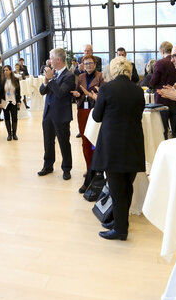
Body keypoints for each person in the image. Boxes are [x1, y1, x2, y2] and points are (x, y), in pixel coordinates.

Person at [91, 56, 145, 241]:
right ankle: (120, 222)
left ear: (112, 71)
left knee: (116, 189)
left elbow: (97, 117)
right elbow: (139, 115)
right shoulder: (138, 91)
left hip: (113, 145)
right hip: (133, 143)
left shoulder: (106, 89)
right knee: (127, 187)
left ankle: (121, 230)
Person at [38, 48, 75, 180]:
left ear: (58, 60)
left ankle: (66, 168)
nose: (49, 61)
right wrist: (46, 80)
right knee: (48, 141)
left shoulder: (69, 76)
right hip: (48, 113)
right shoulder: (52, 74)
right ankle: (48, 165)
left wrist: (51, 79)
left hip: (61, 114)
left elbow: (60, 93)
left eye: (51, 58)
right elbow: (42, 91)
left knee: (63, 142)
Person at [70, 55, 103, 193]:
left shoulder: (101, 77)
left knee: (95, 141)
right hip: (82, 110)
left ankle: (96, 170)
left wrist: (92, 94)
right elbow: (77, 91)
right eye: (86, 63)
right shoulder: (82, 77)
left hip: (96, 110)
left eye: (90, 63)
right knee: (85, 140)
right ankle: (89, 167)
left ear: (95, 64)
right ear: (82, 65)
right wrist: (77, 94)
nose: (88, 65)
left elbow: (103, 94)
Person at [149, 41, 176, 139]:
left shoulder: (160, 63)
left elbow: (153, 81)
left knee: (163, 127)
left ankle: (165, 144)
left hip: (162, 98)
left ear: (162, 52)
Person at [0, 65, 21, 141]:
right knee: (7, 117)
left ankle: (14, 133)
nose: (5, 72)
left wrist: (19, 101)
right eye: (4, 70)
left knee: (14, 118)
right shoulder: (2, 81)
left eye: (7, 70)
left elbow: (18, 91)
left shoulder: (15, 80)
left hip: (14, 101)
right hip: (5, 102)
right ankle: (9, 134)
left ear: (10, 71)